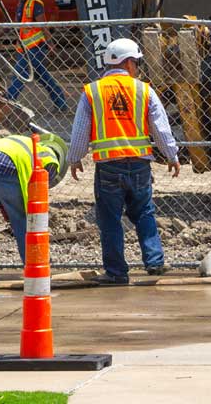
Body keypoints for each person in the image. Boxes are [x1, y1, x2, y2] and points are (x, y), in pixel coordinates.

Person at [68, 37, 180, 285]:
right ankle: (154, 262)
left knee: (109, 219)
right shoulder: (144, 90)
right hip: (139, 165)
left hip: (109, 166)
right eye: (137, 63)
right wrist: (171, 155)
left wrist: (74, 158)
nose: (138, 68)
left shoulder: (92, 91)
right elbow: (161, 128)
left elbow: (80, 130)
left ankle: (117, 273)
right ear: (129, 63)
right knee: (144, 213)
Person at [0, 132, 67, 281]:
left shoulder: (25, 142)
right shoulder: (51, 160)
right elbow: (38, 193)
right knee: (23, 222)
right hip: (7, 169)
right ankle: (33, 269)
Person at [5, 0, 68, 111]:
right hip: (25, 47)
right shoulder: (21, 4)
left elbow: (43, 26)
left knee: (20, 73)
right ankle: (61, 103)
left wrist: (51, 45)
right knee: (42, 76)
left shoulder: (35, 3)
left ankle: (8, 102)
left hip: (35, 47)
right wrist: (1, 31)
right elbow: (18, 24)